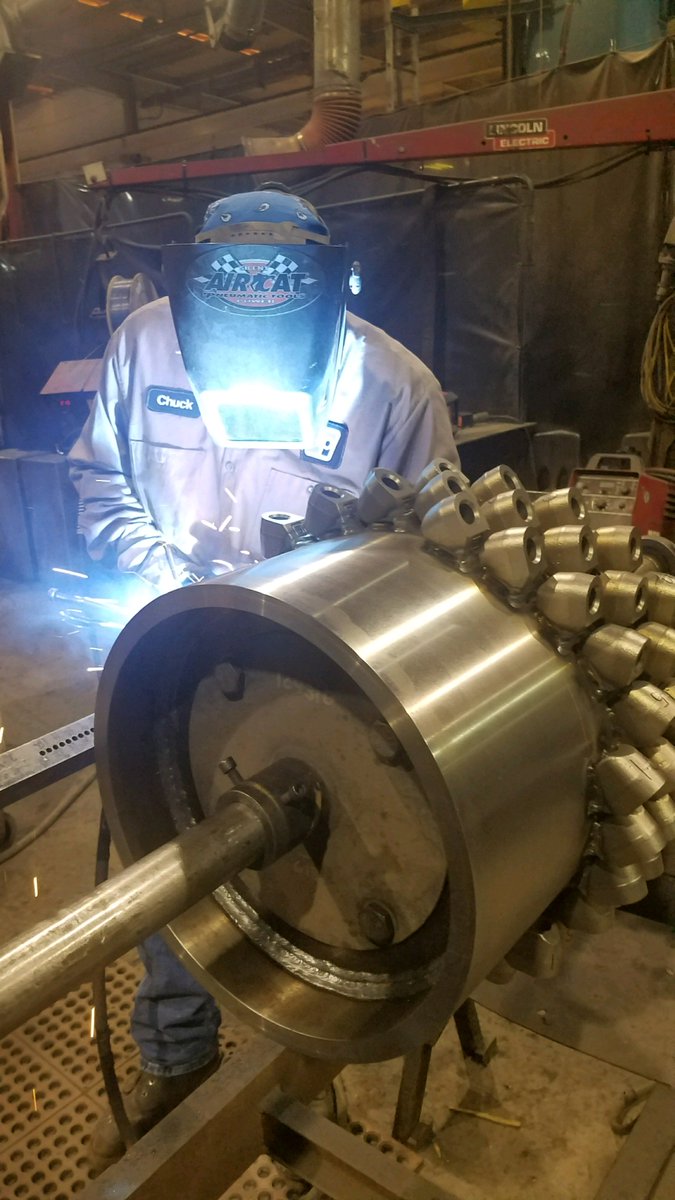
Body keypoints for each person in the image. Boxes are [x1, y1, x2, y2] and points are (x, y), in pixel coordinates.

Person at [69, 186, 458, 1173]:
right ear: (195, 290)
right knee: (170, 869)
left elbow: (440, 554)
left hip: (324, 680)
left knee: (327, 875)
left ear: (325, 302)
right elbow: (97, 477)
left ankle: (309, 1062)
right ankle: (182, 1060)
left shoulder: (394, 385)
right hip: (174, 661)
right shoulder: (144, 348)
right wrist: (172, 587)